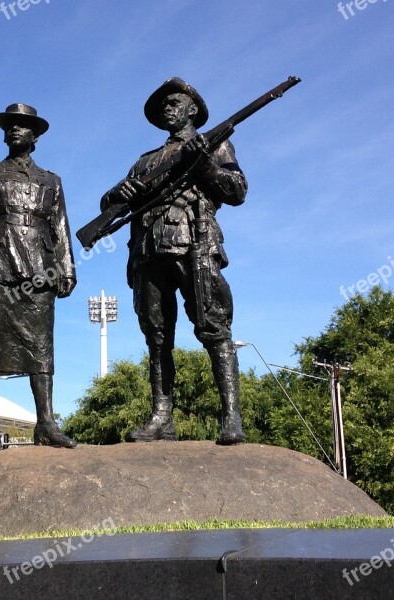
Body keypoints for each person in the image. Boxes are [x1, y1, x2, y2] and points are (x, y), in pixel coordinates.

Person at [100, 78, 248, 445]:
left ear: (192, 109)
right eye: (163, 104)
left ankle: (231, 418)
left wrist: (205, 167)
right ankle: (161, 419)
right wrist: (119, 192)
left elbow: (237, 190)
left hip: (193, 242)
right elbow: (110, 206)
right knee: (157, 336)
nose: (168, 107)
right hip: (148, 249)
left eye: (175, 101)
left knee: (214, 328)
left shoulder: (215, 144)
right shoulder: (145, 161)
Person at [0, 104, 77, 451]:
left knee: (41, 344)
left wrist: (67, 268)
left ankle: (46, 422)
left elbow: (60, 226)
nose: (14, 131)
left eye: (22, 126)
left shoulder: (51, 181)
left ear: (35, 136)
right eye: (10, 126)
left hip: (40, 265)